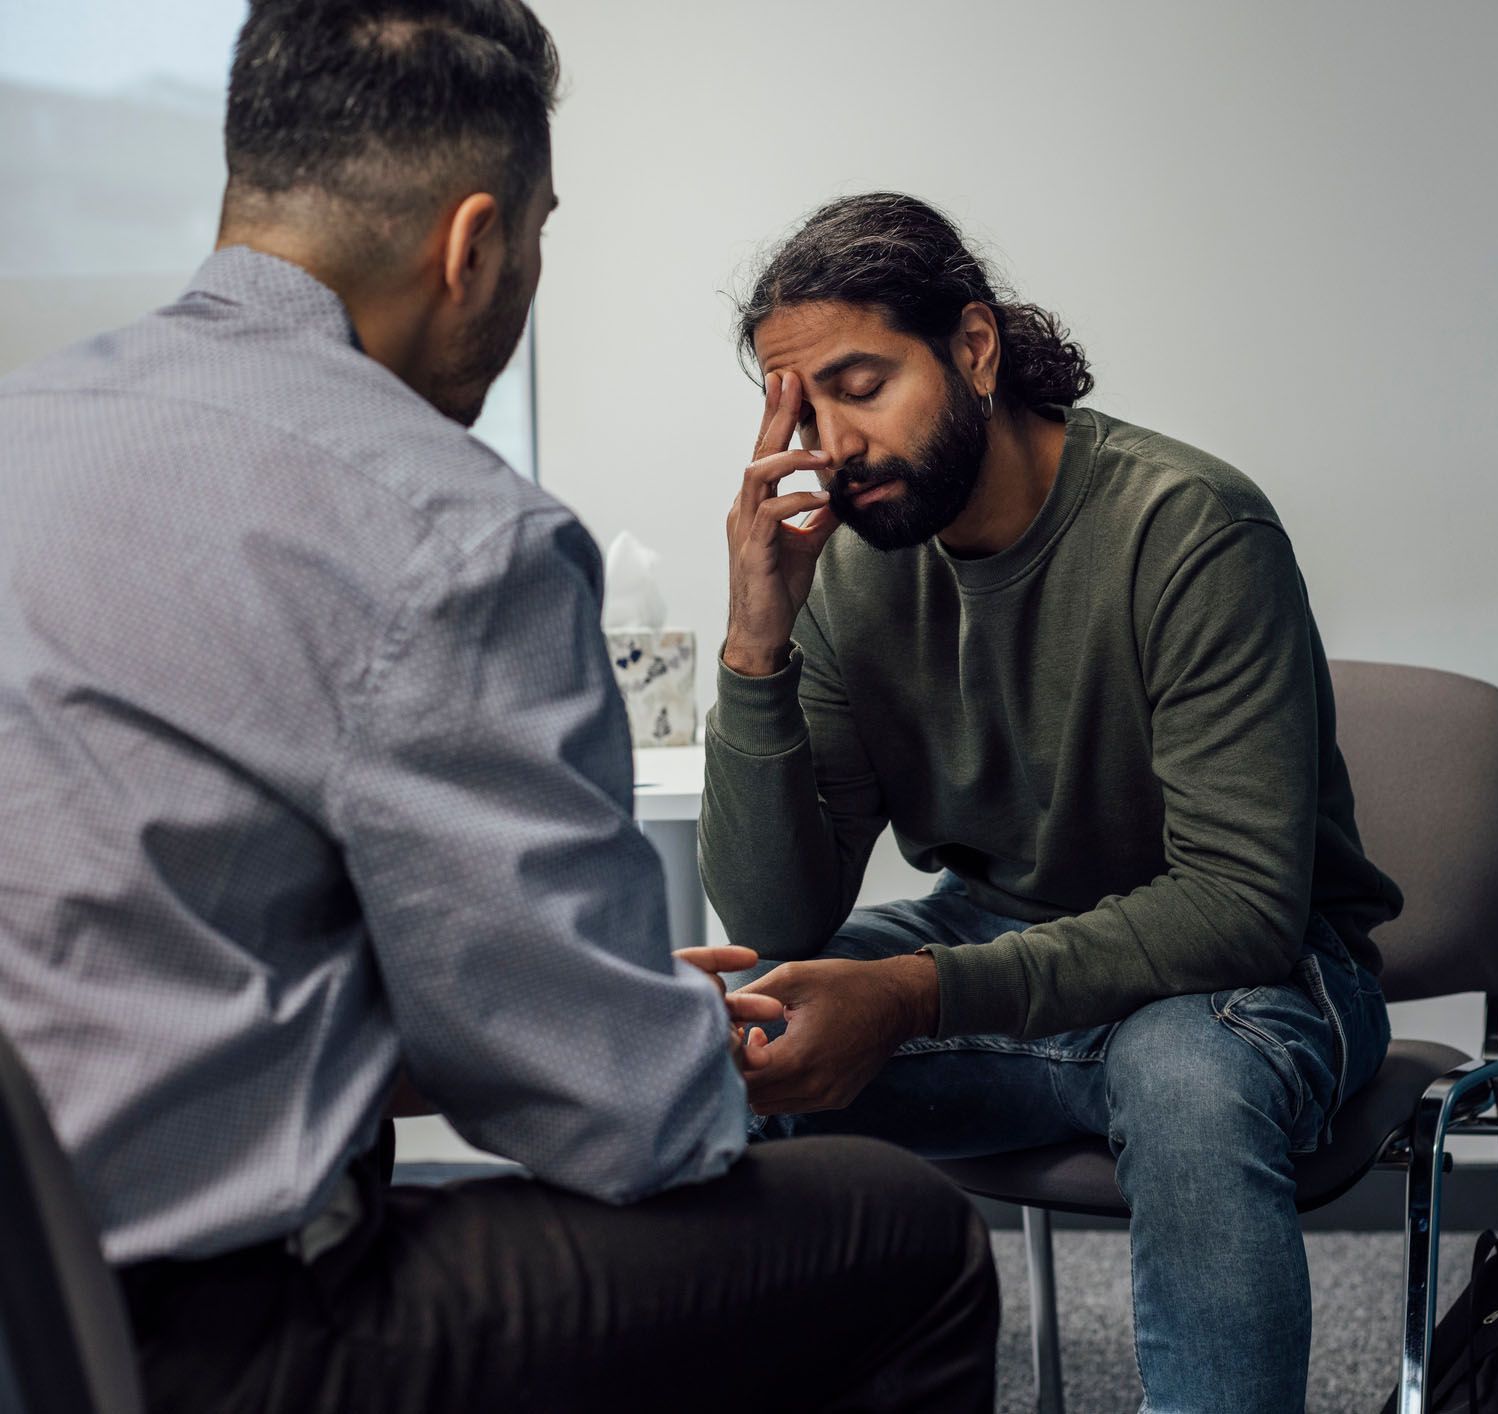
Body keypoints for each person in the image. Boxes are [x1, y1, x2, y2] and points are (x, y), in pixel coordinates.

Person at [0, 9, 999, 1410]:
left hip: (31, 1298)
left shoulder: (25, 427)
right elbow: (625, 1120)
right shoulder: (452, 530)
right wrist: (647, 1028)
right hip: (212, 1342)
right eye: (538, 235)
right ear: (475, 246)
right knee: (904, 1234)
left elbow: (136, 974)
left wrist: (589, 1012)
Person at [701, 190, 1404, 1413]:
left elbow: (1236, 907)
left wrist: (914, 992)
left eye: (861, 386)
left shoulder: (1188, 528)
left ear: (973, 347)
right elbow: (777, 915)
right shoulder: (849, 572)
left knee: (1184, 1076)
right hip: (1001, 939)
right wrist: (756, 642)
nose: (833, 444)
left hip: (1257, 975)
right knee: (730, 1037)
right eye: (802, 409)